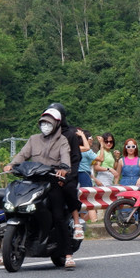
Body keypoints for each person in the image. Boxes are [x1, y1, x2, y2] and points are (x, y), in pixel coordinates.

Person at [4, 107, 74, 268]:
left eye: (49, 123)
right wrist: (11, 164)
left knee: (57, 215)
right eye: (43, 123)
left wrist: (64, 168)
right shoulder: (33, 139)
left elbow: (65, 158)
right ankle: (8, 249)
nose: (46, 126)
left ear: (56, 124)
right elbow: (22, 154)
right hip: (31, 181)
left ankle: (68, 253)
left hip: (51, 182)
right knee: (13, 206)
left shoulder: (62, 140)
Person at [50, 102, 90, 239]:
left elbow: (75, 157)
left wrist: (67, 175)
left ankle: (77, 222)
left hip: (68, 173)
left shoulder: (70, 135)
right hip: (48, 173)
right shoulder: (45, 135)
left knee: (68, 189)